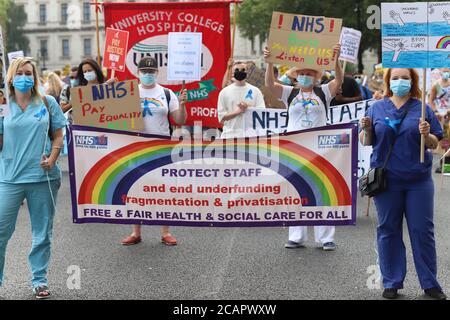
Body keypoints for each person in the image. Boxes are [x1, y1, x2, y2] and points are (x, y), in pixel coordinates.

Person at [359, 68, 446, 300]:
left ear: (413, 80)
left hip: (418, 180)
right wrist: (366, 128)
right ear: (388, 81)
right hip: (387, 180)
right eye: (395, 78)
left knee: (422, 231)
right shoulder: (376, 107)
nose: (400, 81)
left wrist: (426, 135)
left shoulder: (422, 108)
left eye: (405, 78)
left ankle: (430, 283)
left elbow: (434, 143)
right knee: (388, 230)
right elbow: (367, 141)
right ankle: (391, 281)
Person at [264, 44, 343, 251]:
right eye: (302, 73)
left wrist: (336, 59)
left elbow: (339, 81)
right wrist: (270, 61)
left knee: (322, 191)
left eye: (310, 73)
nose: (306, 76)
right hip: (294, 149)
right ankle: (296, 235)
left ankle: (326, 237)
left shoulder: (323, 92)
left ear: (317, 77)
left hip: (320, 150)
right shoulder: (289, 93)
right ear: (295, 76)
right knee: (295, 191)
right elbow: (270, 85)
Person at [0, 57, 66, 299]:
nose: (24, 77)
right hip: (9, 178)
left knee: (42, 232)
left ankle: (39, 280)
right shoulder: (3, 104)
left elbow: (58, 136)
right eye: (20, 73)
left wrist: (52, 158)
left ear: (35, 76)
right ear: (11, 77)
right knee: (0, 231)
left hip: (43, 177)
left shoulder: (47, 103)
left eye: (29, 72)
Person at [121, 57, 187, 246]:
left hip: (161, 148)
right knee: (134, 189)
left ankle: (165, 232)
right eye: (144, 71)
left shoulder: (167, 93)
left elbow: (179, 120)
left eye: (151, 72)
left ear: (157, 73)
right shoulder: (127, 93)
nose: (148, 74)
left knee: (162, 190)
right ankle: (135, 232)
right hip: (135, 147)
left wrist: (182, 104)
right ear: (138, 72)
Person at [218, 61, 266, 138]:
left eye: (243, 70)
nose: (240, 72)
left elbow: (262, 113)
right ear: (232, 73)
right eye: (237, 70)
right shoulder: (224, 92)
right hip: (230, 136)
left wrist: (248, 107)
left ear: (247, 73)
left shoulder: (256, 91)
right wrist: (238, 111)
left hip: (250, 136)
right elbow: (221, 117)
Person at [429, 68, 450, 173]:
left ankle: (446, 167)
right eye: (444, 70)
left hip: (449, 116)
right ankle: (444, 167)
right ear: (440, 71)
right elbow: (431, 100)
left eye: (448, 70)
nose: (446, 72)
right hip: (441, 117)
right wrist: (435, 111)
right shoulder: (436, 85)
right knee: (444, 142)